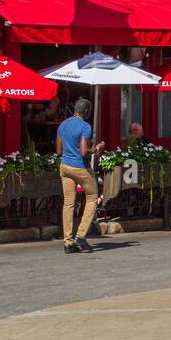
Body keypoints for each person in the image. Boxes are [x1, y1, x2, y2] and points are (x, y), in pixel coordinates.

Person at [56, 98, 103, 254]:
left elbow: (58, 151)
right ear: (86, 111)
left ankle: (68, 242)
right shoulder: (85, 127)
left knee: (68, 204)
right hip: (79, 167)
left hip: (65, 166)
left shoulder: (63, 124)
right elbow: (84, 152)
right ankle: (80, 236)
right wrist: (96, 148)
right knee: (92, 197)